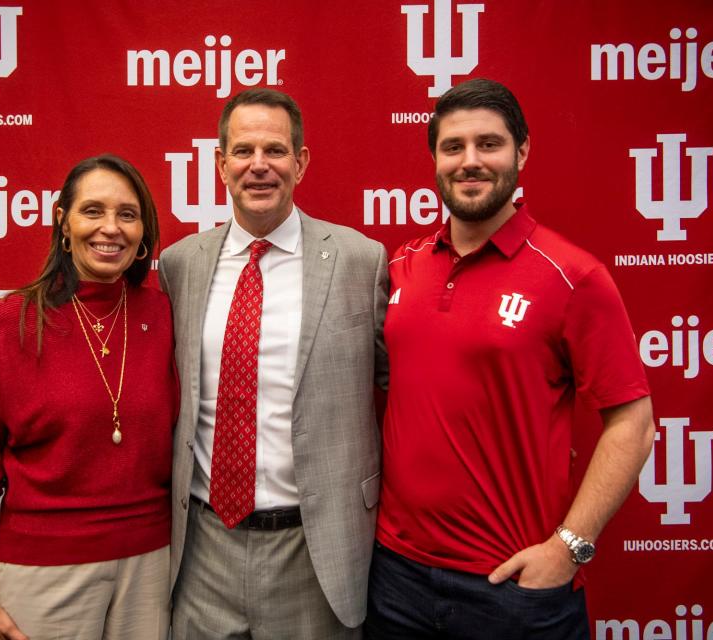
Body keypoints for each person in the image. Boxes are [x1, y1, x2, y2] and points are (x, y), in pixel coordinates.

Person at [366, 78, 656, 639]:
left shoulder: (574, 276)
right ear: (434, 159)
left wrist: (569, 549)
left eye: (489, 144)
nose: (470, 161)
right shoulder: (403, 263)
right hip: (394, 578)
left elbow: (634, 426)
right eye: (453, 147)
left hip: (512, 593)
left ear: (522, 151)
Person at [159, 88, 388, 638]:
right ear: (220, 164)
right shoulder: (179, 266)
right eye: (242, 151)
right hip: (203, 552)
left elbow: (404, 386)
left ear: (300, 162)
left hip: (315, 551)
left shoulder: (361, 260)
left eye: (276, 151)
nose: (258, 165)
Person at [0, 154, 178, 640]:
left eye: (127, 214)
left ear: (144, 234)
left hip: (151, 568)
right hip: (44, 573)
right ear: (63, 224)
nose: (110, 228)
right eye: (92, 211)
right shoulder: (11, 324)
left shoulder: (165, 315)